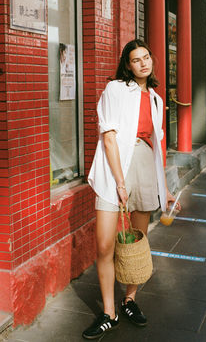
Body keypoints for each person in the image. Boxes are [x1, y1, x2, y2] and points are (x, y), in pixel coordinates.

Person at [83, 39, 181, 340]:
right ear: (127, 64)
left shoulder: (155, 98)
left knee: (136, 242)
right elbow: (109, 136)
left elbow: (157, 146)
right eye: (136, 59)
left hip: (143, 166)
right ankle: (108, 313)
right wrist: (120, 182)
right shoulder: (114, 89)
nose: (144, 63)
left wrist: (164, 188)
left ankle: (129, 300)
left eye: (147, 57)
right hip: (115, 168)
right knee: (104, 245)